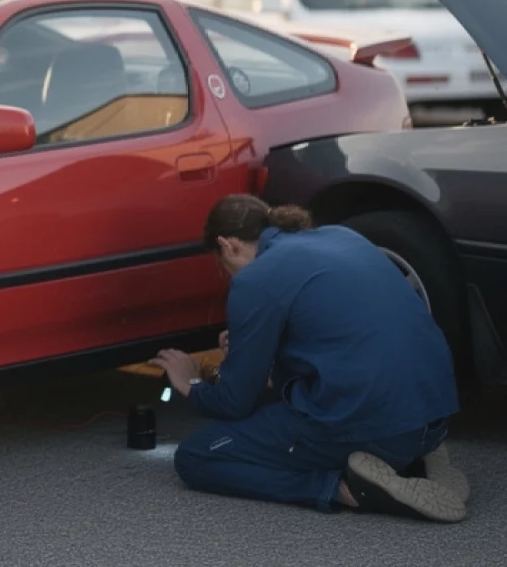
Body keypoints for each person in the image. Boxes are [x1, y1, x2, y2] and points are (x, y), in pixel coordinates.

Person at [149, 194, 470, 523]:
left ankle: (343, 489)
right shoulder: (345, 237)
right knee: (305, 408)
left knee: (197, 456)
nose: (228, 275)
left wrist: (190, 382)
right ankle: (417, 457)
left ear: (227, 245)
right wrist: (253, 352)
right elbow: (334, 344)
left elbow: (235, 403)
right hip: (433, 415)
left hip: (376, 427)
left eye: (222, 265)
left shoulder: (255, 279)